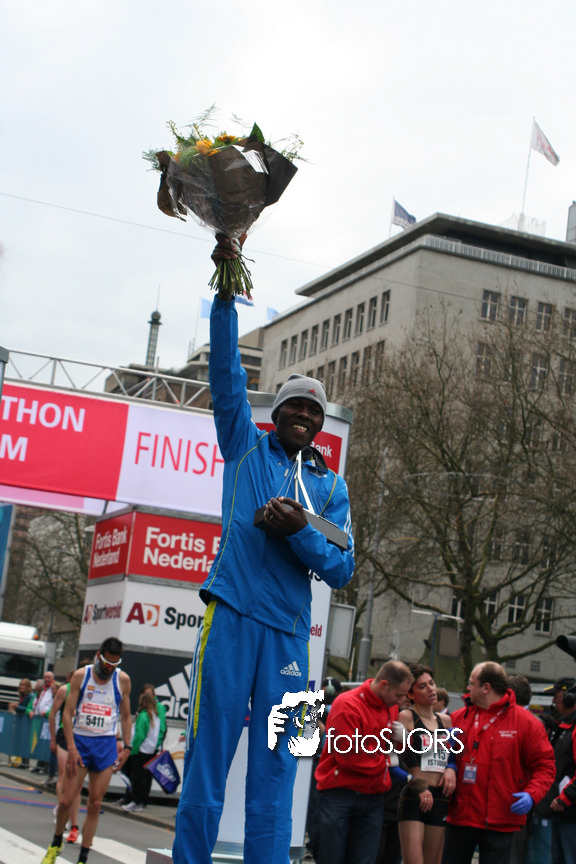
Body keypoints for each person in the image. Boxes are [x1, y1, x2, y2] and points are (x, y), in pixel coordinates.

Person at [172, 236, 355, 864]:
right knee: (208, 758)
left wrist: (297, 529)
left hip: (290, 637)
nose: (305, 415)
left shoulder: (332, 488)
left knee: (279, 772)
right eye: (294, 406)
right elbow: (227, 374)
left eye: (314, 410)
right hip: (230, 617)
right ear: (276, 414)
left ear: (321, 423)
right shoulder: (244, 445)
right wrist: (226, 293)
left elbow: (342, 567)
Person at [441, 661, 556, 864]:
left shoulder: (526, 723)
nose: (467, 687)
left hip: (500, 821)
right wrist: (448, 765)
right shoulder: (458, 718)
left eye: (471, 683)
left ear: (486, 688)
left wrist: (532, 794)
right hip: (460, 818)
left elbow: (545, 766)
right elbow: (439, 755)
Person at [40, 637, 132, 864]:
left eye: (114, 664)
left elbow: (126, 715)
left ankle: (83, 857)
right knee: (66, 800)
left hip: (105, 745)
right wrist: (71, 746)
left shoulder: (122, 680)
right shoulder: (82, 675)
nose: (109, 668)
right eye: (106, 663)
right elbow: (67, 713)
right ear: (98, 656)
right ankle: (56, 842)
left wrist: (127, 745)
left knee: (95, 804)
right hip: (81, 742)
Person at [313, 660, 413, 864]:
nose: (402, 700)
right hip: (340, 795)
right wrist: (387, 760)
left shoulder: (389, 706)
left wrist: (402, 741)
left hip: (373, 797)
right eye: (399, 695)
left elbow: (383, 749)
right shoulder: (347, 704)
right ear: (383, 685)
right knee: (331, 859)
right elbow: (349, 756)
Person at [397, 665, 456, 864]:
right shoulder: (407, 717)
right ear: (411, 694)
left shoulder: (446, 721)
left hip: (440, 796)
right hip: (416, 794)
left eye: (431, 683)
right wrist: (415, 782)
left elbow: (453, 755)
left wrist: (451, 769)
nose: (431, 689)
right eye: (422, 686)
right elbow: (398, 755)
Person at [534, 676, 576, 864]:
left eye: (557, 697)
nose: (554, 701)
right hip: (561, 812)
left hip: (570, 812)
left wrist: (565, 798)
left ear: (569, 698)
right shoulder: (565, 728)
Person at [48, 675, 82, 844]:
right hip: (64, 734)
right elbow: (52, 713)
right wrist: (53, 738)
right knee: (63, 774)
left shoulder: (92, 690)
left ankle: (74, 823)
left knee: (76, 782)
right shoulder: (64, 690)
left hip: (81, 736)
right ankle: (61, 806)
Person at [122, 690, 161, 812]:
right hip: (150, 751)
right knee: (144, 778)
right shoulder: (155, 716)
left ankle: (135, 801)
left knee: (136, 777)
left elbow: (139, 736)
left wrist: (133, 750)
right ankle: (141, 801)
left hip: (140, 751)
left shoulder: (143, 716)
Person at [30, 670, 55, 775]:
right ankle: (39, 765)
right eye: (45, 677)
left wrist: (47, 713)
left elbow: (54, 705)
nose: (46, 679)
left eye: (49, 677)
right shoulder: (44, 689)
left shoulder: (54, 689)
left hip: (48, 720)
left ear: (52, 678)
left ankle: (46, 767)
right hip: (40, 720)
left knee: (47, 743)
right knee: (40, 743)